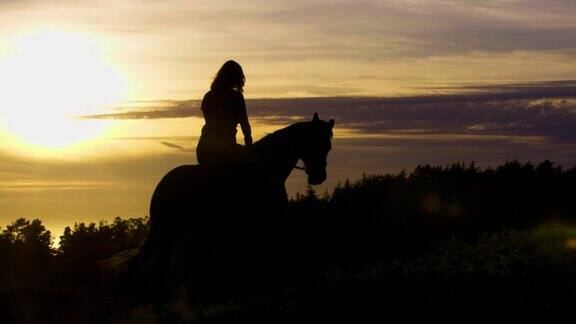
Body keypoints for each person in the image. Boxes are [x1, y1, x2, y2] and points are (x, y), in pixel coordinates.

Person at [196, 60, 253, 167]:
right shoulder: (237, 97)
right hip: (226, 151)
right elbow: (244, 124)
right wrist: (249, 146)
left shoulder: (208, 96)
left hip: (203, 150)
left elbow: (210, 124)